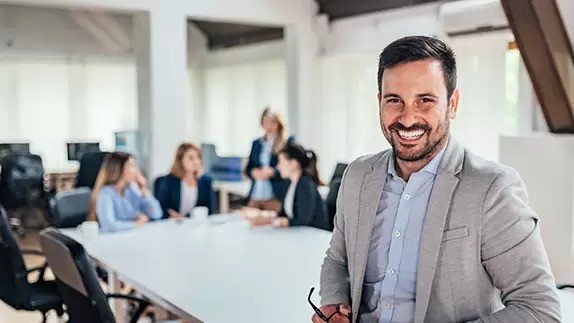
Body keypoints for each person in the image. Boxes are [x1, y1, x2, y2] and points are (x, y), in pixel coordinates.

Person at [314, 36, 561, 323]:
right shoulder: (357, 175)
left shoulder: (493, 189)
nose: (408, 118)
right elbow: (338, 260)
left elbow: (539, 310)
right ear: (379, 101)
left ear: (452, 104)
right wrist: (334, 302)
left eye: (425, 100)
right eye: (395, 100)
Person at [242, 142, 326, 229]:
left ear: (293, 164)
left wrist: (276, 221)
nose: (278, 167)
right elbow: (285, 213)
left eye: (281, 162)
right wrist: (265, 217)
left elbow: (303, 220)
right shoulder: (288, 183)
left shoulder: (305, 185)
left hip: (313, 234)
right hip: (298, 234)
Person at [88, 152, 162, 233]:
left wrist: (144, 190)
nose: (136, 171)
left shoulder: (131, 191)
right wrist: (135, 224)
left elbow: (157, 214)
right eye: (132, 166)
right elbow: (108, 225)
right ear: (119, 169)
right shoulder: (106, 194)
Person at [244, 107, 290, 212]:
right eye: (266, 122)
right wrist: (253, 173)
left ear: (278, 123)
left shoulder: (286, 143)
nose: (268, 126)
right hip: (256, 194)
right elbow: (248, 168)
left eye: (272, 122)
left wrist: (272, 172)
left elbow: (290, 168)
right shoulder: (257, 143)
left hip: (275, 195)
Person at [156, 143, 216, 218]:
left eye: (198, 157)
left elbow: (211, 212)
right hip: (172, 224)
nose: (196, 162)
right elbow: (160, 208)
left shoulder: (206, 181)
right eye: (191, 158)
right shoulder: (169, 181)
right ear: (180, 160)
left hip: (196, 225)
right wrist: (170, 214)